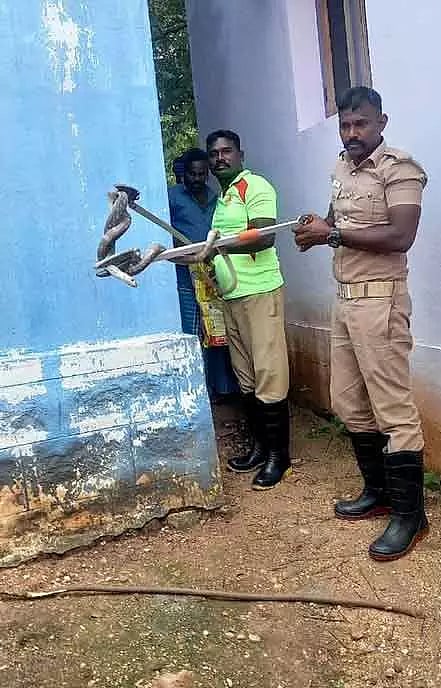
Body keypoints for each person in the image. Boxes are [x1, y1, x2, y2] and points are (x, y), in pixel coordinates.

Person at [294, 87, 428, 561]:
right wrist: (318, 230)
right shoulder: (341, 166)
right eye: (345, 125)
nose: (352, 133)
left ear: (381, 123)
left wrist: (331, 234)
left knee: (393, 409)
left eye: (361, 124)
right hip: (345, 300)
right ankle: (380, 493)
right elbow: (338, 221)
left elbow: (400, 235)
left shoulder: (400, 169)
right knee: (348, 402)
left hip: (381, 300)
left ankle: (411, 516)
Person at [206, 129, 291, 490]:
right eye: (214, 154)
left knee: (269, 373)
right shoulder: (224, 198)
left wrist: (216, 248)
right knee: (246, 376)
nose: (220, 158)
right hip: (232, 296)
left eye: (226, 151)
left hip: (260, 292)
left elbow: (264, 235)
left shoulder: (254, 187)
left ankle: (278, 457)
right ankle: (260, 448)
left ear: (241, 154)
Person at [168, 147, 238, 400]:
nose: (197, 179)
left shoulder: (215, 198)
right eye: (192, 174)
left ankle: (223, 389)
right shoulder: (172, 197)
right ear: (184, 173)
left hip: (212, 274)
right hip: (185, 276)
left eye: (201, 174)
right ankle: (199, 392)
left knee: (217, 331)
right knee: (193, 332)